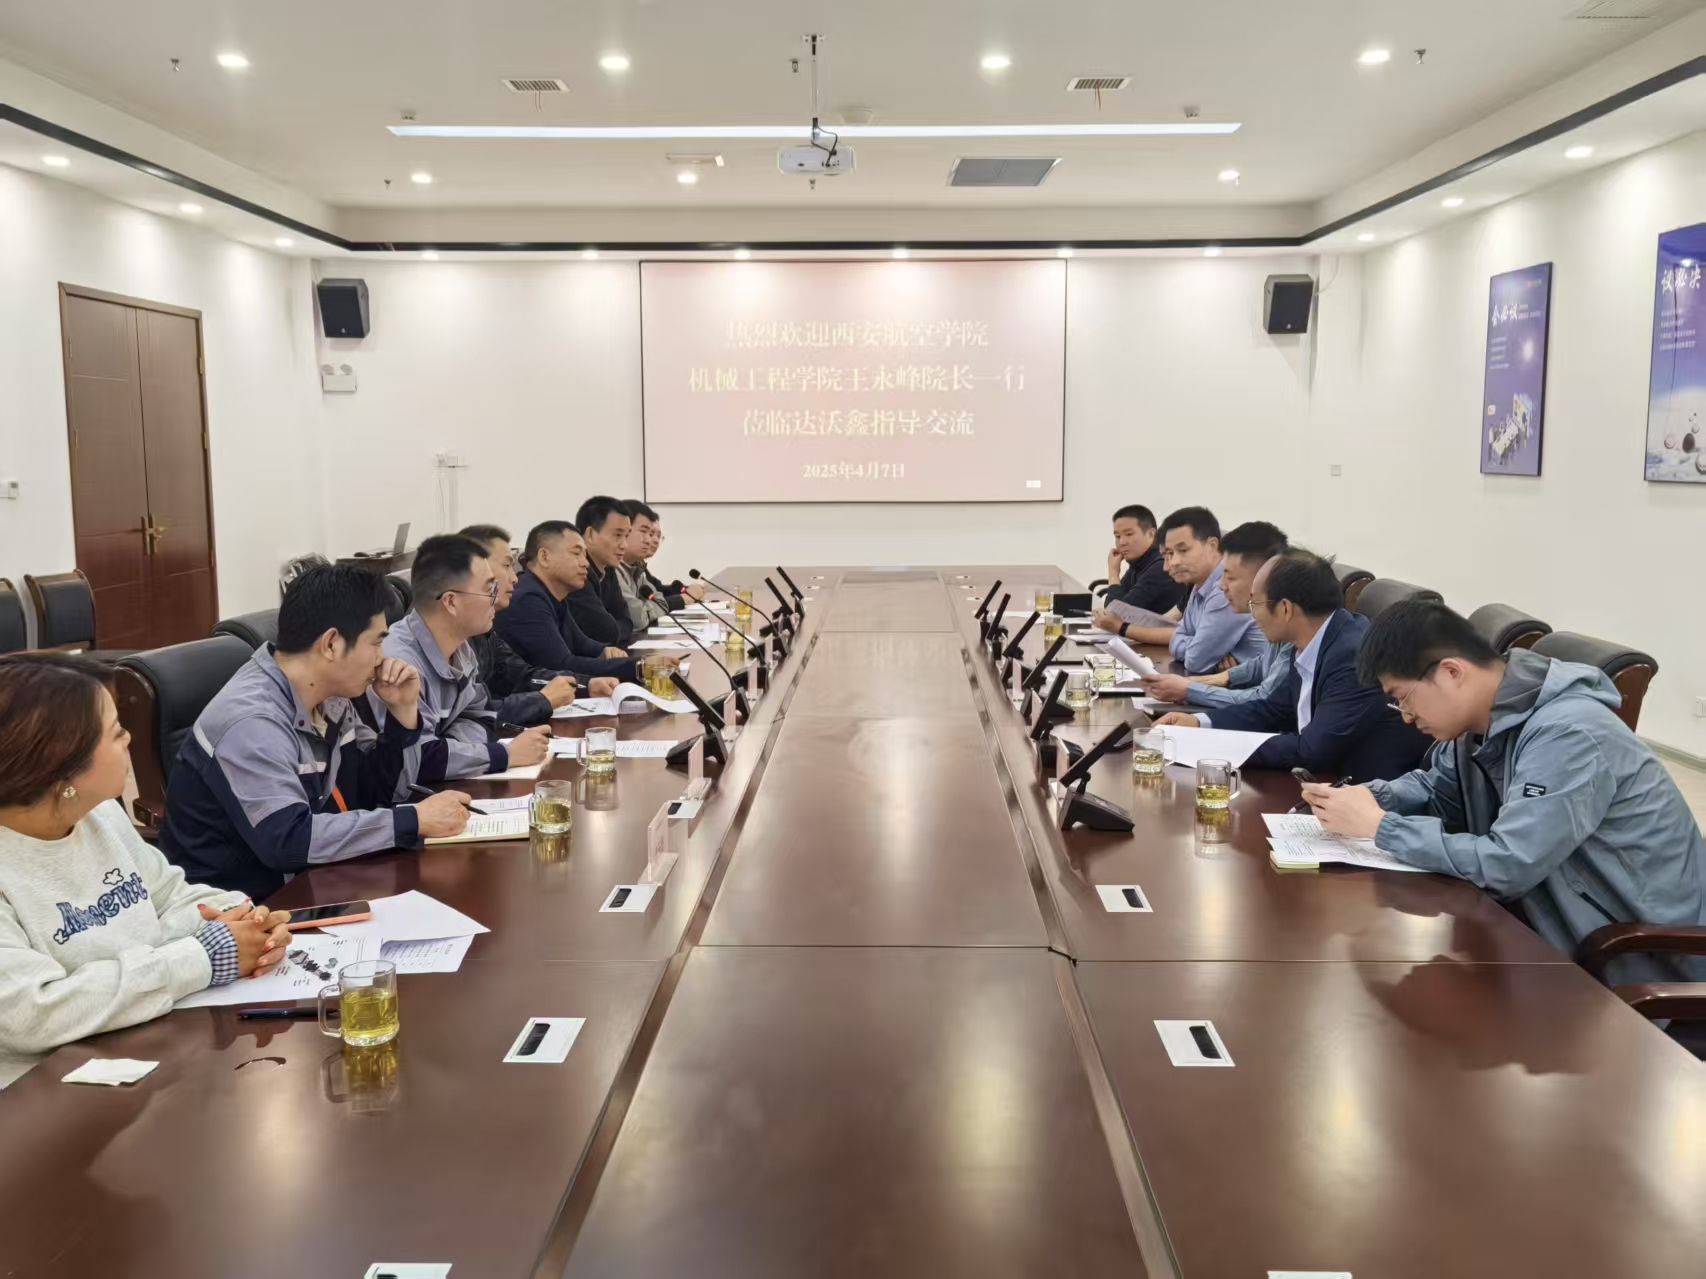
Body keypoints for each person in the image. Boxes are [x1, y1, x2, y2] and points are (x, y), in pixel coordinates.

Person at [1303, 600, 1706, 982]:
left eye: (1403, 698)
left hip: (1637, 963)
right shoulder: (1479, 725)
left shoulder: (1570, 734)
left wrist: (1381, 827)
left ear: (1451, 672)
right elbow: (1436, 790)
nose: (1406, 717)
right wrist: (1366, 799)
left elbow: (1508, 864)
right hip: (1550, 933)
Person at [0, 654, 295, 1088]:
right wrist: (200, 956)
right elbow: (33, 1012)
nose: (130, 738)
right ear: (62, 764)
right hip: (48, 1092)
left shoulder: (100, 815)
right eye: (116, 731)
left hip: (146, 1043)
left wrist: (244, 919)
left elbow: (169, 894)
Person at [160, 565, 471, 900]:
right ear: (332, 644)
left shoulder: (330, 698)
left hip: (318, 880)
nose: (382, 658)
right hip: (245, 909)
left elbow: (380, 792)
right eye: (376, 642)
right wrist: (412, 820)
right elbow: (289, 840)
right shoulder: (251, 722)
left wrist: (402, 714)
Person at [1156, 550, 1427, 780]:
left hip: (1366, 794)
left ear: (1285, 609)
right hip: (1322, 779)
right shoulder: (1314, 640)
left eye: (1255, 603)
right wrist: (1199, 723)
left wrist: (1212, 745)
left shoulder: (1351, 656)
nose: (1253, 615)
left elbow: (1312, 751)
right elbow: (1274, 709)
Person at [369, 535, 552, 794]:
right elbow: (418, 758)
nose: (495, 597)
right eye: (489, 589)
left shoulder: (462, 648)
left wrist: (452, 749)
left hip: (445, 787)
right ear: (451, 601)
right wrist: (504, 755)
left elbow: (481, 716)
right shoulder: (398, 663)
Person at [459, 524, 618, 721]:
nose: (514, 578)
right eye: (507, 566)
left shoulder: (483, 630)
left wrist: (586, 685)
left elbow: (520, 674)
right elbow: (472, 713)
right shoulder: (526, 599)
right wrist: (542, 700)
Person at [1142, 521, 1293, 712]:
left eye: (1230, 577)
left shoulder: (1290, 624)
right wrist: (1218, 679)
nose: (1221, 585)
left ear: (1263, 577)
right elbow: (1263, 664)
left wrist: (1189, 690)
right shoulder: (1274, 620)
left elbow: (1266, 700)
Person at [1120, 506, 1265, 674]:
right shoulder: (1199, 585)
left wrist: (1196, 646)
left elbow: (1195, 660)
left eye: (1183, 550)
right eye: (1170, 553)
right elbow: (1178, 636)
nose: (1173, 562)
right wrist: (1197, 644)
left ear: (1212, 545)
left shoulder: (1225, 591)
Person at [496, 521, 642, 684]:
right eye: (576, 553)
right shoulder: (527, 599)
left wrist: (605, 650)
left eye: (585, 555)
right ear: (544, 557)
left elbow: (582, 644)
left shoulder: (553, 594)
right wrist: (639, 666)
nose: (586, 563)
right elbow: (562, 666)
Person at [617, 500, 705, 628]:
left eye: (655, 535)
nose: (649, 540)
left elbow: (658, 597)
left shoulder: (637, 568)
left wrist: (649, 607)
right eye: (644, 532)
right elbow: (639, 618)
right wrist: (683, 599)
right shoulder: (612, 570)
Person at [1093, 504, 1187, 622]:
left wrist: (1113, 573)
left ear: (1151, 534)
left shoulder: (1160, 567)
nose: (1122, 542)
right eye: (1117, 536)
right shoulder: (1138, 563)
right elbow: (1115, 609)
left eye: (1129, 534)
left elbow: (1116, 616)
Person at [569, 495, 639, 647]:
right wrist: (616, 628)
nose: (624, 545)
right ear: (590, 534)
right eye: (617, 535)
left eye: (626, 536)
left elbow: (627, 621)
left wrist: (615, 628)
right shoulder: (576, 572)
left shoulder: (608, 568)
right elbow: (604, 632)